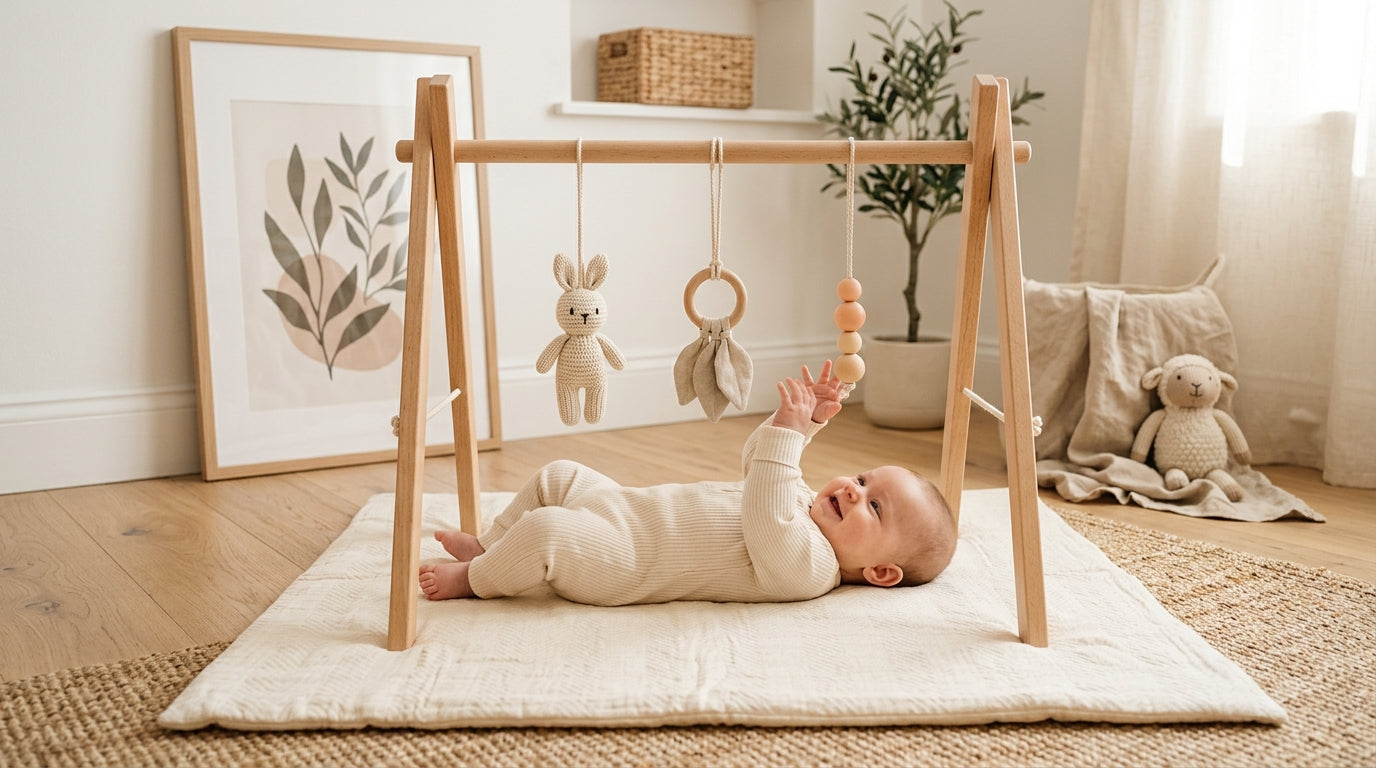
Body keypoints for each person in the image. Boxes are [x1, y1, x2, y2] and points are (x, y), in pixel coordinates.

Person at [418, 360, 957, 606]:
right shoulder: (803, 503)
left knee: (547, 530)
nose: (854, 490)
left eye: (876, 508)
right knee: (559, 474)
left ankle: (475, 578)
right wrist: (805, 424)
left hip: (624, 559)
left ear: (881, 571)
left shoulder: (810, 570)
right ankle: (491, 543)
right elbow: (759, 467)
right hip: (627, 508)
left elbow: (767, 511)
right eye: (863, 479)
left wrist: (791, 438)